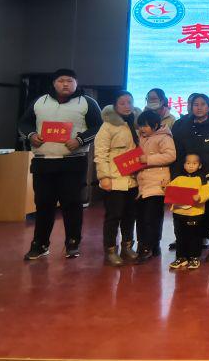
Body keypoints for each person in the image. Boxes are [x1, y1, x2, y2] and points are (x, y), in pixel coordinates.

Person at [18, 68, 102, 260]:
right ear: (54, 83)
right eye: (61, 80)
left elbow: (98, 126)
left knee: (72, 204)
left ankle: (72, 243)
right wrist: (31, 135)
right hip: (43, 162)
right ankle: (40, 244)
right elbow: (23, 124)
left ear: (76, 83)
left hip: (73, 162)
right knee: (43, 204)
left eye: (70, 81)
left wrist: (80, 140)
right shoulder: (40, 101)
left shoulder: (87, 102)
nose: (65, 84)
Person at [170, 93, 209, 262]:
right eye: (195, 104)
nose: (199, 107)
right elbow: (177, 153)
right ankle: (191, 246)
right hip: (187, 178)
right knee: (188, 212)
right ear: (190, 106)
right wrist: (175, 176)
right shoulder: (181, 125)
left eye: (203, 104)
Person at [94, 92, 141, 267]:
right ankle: (110, 250)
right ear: (115, 106)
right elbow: (100, 154)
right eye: (122, 103)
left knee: (130, 215)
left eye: (130, 102)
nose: (127, 106)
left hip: (133, 178)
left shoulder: (136, 124)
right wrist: (104, 177)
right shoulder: (107, 126)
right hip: (114, 179)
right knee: (113, 216)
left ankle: (127, 247)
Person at [134, 109, 177, 262]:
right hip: (142, 184)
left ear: (156, 125)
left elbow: (171, 156)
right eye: (140, 126)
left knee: (151, 218)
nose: (142, 129)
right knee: (141, 217)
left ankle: (148, 247)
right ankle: (148, 245)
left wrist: (147, 159)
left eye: (145, 126)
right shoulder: (141, 137)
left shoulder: (165, 137)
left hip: (157, 184)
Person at [168, 153, 209, 270]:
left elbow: (207, 193)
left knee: (194, 236)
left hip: (194, 213)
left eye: (194, 163)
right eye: (188, 163)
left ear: (200, 165)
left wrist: (200, 197)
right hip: (178, 213)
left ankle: (194, 257)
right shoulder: (179, 178)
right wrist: (164, 187)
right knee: (179, 235)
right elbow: (170, 189)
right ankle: (181, 257)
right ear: (184, 165)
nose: (191, 166)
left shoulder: (202, 179)